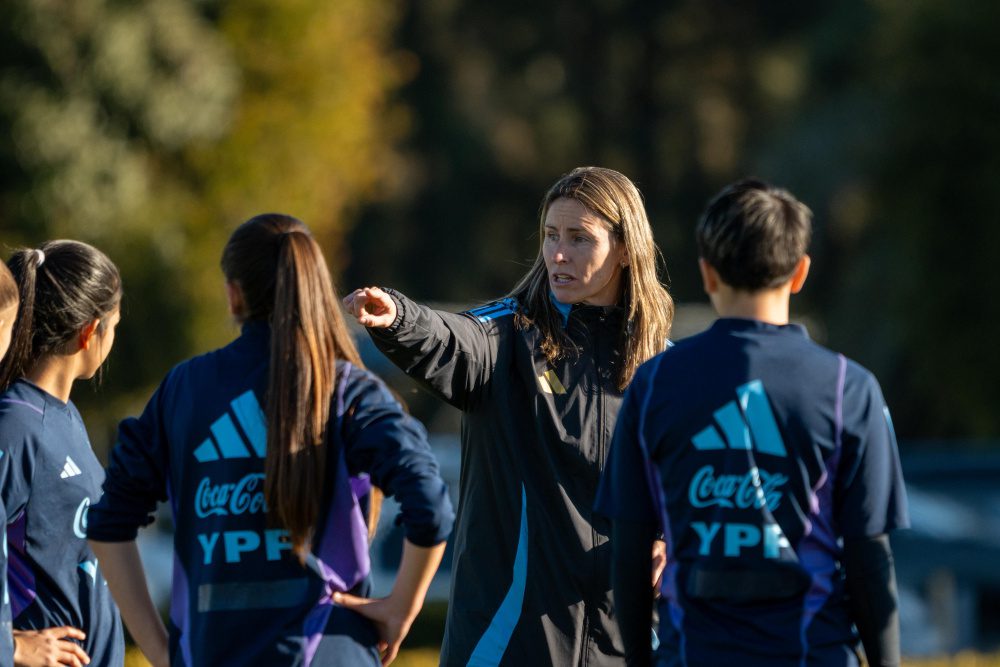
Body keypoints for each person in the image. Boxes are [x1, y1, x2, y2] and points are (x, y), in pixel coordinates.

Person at [86, 214, 454, 667]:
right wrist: (401, 609)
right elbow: (431, 508)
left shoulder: (185, 389)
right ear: (314, 286)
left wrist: (164, 652)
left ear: (233, 294)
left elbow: (108, 525)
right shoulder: (347, 391)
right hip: (331, 652)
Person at [344, 166, 675, 666]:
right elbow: (451, 339)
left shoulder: (663, 368)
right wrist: (399, 318)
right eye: (550, 235)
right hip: (506, 647)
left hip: (622, 649)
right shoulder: (507, 336)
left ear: (627, 248)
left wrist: (670, 541)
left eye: (579, 239)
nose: (557, 254)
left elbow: (694, 488)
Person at [598, 179, 909, 666]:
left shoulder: (655, 384)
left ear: (707, 274)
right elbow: (870, 561)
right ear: (801, 271)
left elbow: (630, 553)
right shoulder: (849, 388)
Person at [0, 241, 125, 667]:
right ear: (90, 332)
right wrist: (13, 648)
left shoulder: (65, 416)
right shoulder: (15, 424)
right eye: (115, 327)